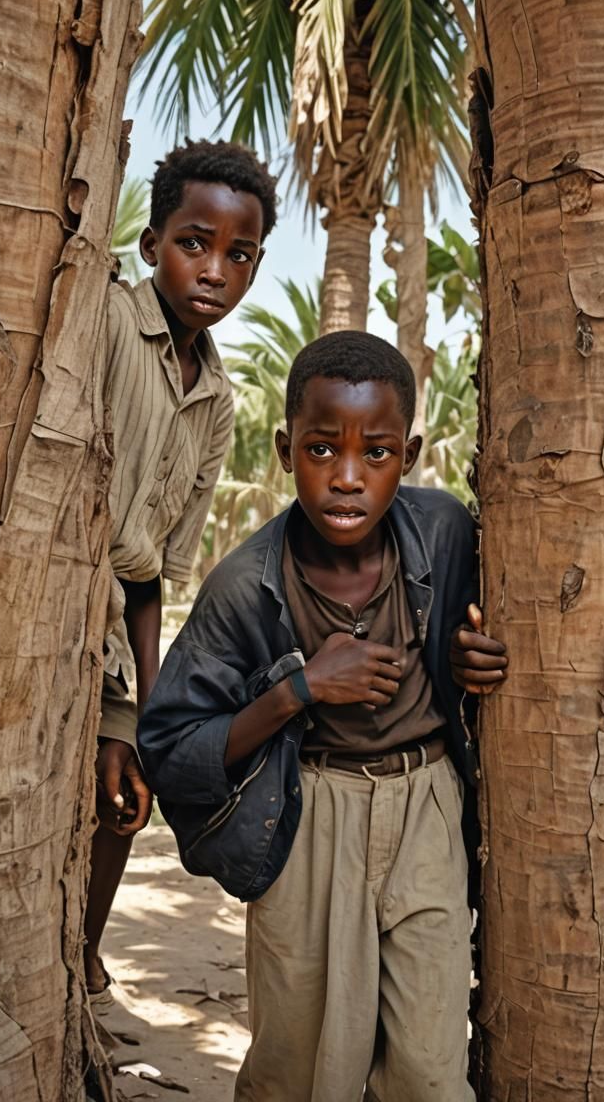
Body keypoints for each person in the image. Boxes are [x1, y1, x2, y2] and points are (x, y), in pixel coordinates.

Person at [138, 331, 508, 1101]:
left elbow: (487, 632)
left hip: (427, 811)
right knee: (300, 1066)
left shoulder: (445, 532)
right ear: (283, 449)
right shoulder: (244, 583)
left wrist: (475, 662)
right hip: (307, 819)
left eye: (375, 454)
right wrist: (299, 691)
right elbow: (172, 745)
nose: (347, 478)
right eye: (319, 451)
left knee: (429, 1069)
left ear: (407, 454)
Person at [86, 138, 278, 998]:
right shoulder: (99, 321)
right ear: (150, 243)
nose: (214, 271)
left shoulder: (219, 397)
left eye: (238, 255)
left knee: (123, 797)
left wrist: (148, 707)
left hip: (119, 627)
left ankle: (77, 960)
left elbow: (156, 568)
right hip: (44, 597)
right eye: (193, 243)